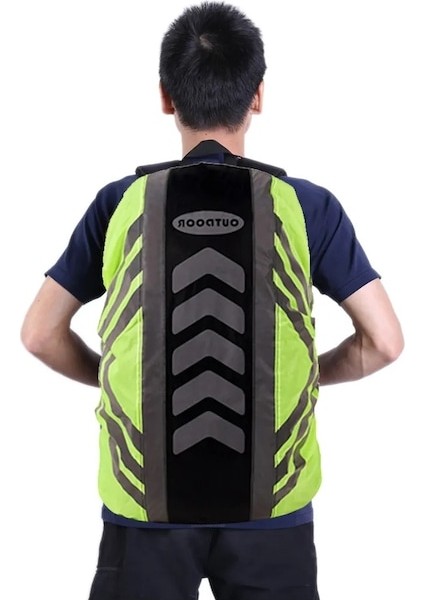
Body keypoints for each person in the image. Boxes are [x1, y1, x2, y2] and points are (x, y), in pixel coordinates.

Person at [21, 2, 404, 599]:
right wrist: (303, 378)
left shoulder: (117, 203)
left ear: (165, 97)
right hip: (272, 508)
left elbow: (40, 334)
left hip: (143, 506)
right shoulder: (309, 206)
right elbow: (384, 342)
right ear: (258, 96)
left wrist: (129, 380)